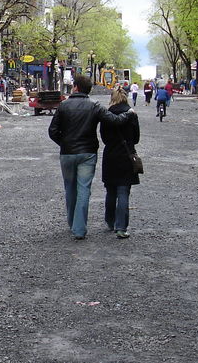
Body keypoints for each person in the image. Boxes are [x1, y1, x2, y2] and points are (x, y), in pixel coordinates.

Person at [48, 74, 135, 240]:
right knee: (84, 190)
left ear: (75, 87)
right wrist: (129, 113)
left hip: (67, 153)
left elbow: (52, 131)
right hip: (87, 153)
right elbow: (115, 120)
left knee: (70, 188)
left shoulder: (63, 105)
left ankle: (72, 222)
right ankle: (79, 229)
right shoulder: (94, 106)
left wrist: (64, 143)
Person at [100, 86, 140, 239]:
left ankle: (110, 221)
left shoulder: (107, 115)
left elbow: (103, 137)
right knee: (123, 191)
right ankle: (121, 227)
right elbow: (136, 138)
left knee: (110, 190)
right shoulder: (132, 115)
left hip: (110, 155)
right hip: (126, 155)